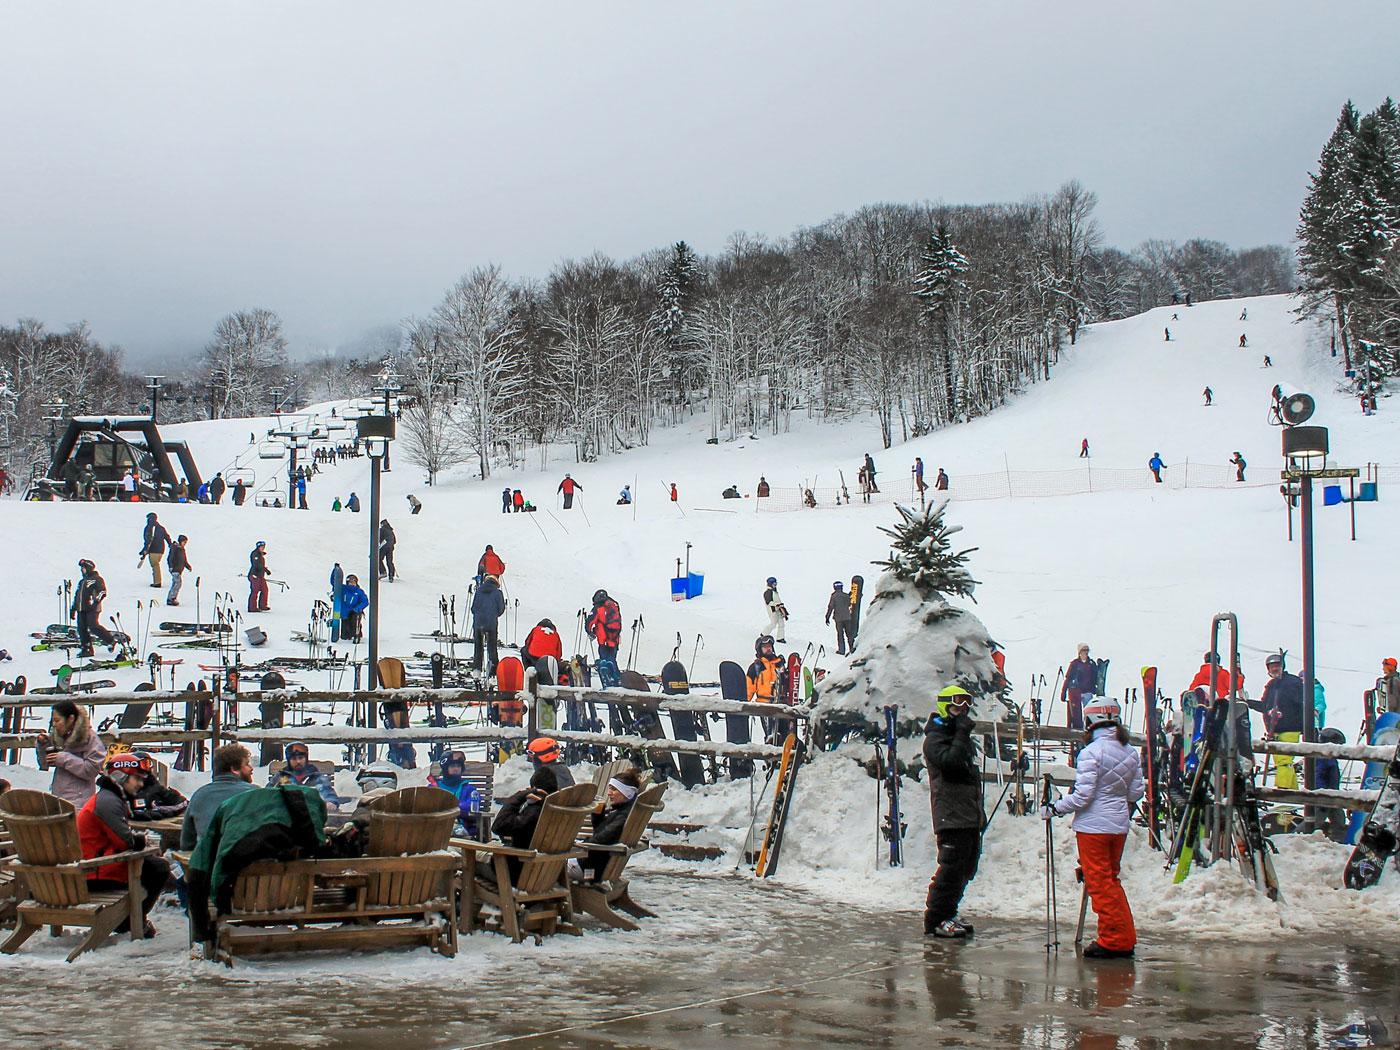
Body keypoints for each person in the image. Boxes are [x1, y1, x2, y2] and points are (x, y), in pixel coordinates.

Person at [1043, 695, 1143, 959]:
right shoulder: (1130, 751)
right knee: (1111, 880)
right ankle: (1123, 935)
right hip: (1118, 825)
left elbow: (1083, 795)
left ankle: (1114, 940)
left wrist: (1055, 808)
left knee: (1099, 883)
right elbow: (1136, 792)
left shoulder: (1091, 752)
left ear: (1091, 720)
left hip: (1093, 827)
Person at [77, 753, 172, 937]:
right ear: (120, 776)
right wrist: (142, 841)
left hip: (96, 865)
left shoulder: (107, 797)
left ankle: (130, 918)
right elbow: (124, 841)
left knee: (153, 865)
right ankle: (128, 921)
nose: (140, 784)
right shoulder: (108, 802)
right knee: (159, 868)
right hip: (97, 872)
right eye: (136, 778)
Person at [922, 684, 982, 938]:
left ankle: (950, 911)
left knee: (966, 867)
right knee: (950, 867)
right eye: (957, 706)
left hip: (967, 811)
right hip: (950, 813)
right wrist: (960, 734)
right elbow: (951, 764)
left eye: (966, 707)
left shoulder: (959, 737)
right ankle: (936, 918)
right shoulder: (935, 738)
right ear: (945, 706)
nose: (962, 712)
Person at [179, 744, 256, 849]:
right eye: (247, 764)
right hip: (249, 859)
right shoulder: (256, 793)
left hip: (210, 860)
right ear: (234, 769)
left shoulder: (199, 795)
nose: (251, 769)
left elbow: (186, 843)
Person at [1249, 652, 1306, 790]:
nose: (1274, 669)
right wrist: (1247, 702)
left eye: (1277, 666)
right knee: (1283, 762)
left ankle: (1283, 791)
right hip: (1275, 730)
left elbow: (1301, 702)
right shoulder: (1272, 685)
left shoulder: (1292, 682)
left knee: (1284, 761)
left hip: (1290, 728)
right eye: (1271, 667)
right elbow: (1265, 706)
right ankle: (1293, 793)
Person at [573, 766, 642, 881]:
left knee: (555, 864)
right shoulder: (623, 811)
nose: (609, 793)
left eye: (614, 789)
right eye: (609, 789)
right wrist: (598, 813)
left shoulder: (622, 817)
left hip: (588, 867)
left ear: (627, 793)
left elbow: (601, 839)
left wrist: (577, 845)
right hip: (598, 865)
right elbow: (601, 833)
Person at [491, 766, 558, 881]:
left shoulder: (533, 813)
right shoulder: (561, 813)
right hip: (549, 874)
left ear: (534, 790)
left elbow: (498, 826)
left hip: (517, 874)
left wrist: (519, 797)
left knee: (473, 859)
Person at [38, 699, 106, 805]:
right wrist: (43, 746)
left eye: (57, 720)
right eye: (53, 721)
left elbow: (92, 770)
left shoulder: (90, 739)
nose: (54, 725)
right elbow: (44, 764)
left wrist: (64, 759)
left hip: (80, 802)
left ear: (70, 719)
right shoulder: (60, 737)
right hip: (59, 798)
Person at [268, 741, 348, 809]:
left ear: (306, 758)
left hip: (312, 816)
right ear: (289, 760)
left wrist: (330, 803)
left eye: (301, 758)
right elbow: (267, 795)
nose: (298, 761)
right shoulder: (281, 777)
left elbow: (330, 795)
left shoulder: (317, 777)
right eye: (294, 759)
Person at [428, 750, 483, 837]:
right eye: (452, 766)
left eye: (458, 766)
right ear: (446, 768)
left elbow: (472, 806)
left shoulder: (469, 789)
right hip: (436, 829)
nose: (456, 769)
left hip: (461, 830)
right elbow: (426, 806)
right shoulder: (434, 788)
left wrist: (451, 807)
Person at [123, 752, 189, 822]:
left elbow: (182, 803)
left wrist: (157, 810)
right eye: (136, 777)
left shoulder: (155, 788)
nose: (139, 783)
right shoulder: (123, 788)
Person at [71, 558, 116, 657]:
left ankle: (110, 640)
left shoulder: (97, 579)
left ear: (88, 568)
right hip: (81, 608)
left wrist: (95, 602)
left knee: (93, 626)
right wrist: (73, 608)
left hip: (92, 608)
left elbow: (102, 592)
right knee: (81, 628)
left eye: (83, 568)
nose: (82, 570)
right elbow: (77, 595)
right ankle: (86, 648)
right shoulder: (82, 581)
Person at [471, 574, 506, 674]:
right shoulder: (498, 593)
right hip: (491, 623)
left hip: (478, 623)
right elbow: (501, 609)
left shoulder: (478, 591)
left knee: (478, 647)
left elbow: (473, 608)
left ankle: (477, 670)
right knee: (492, 648)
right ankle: (493, 671)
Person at [1062, 643, 1098, 730]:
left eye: (1087, 650)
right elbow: (1068, 678)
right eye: (1083, 650)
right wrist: (1063, 691)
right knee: (1076, 715)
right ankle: (1077, 733)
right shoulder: (1074, 664)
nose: (1086, 653)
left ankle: (1089, 730)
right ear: (1079, 652)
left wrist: (1096, 689)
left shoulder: (1091, 664)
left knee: (1089, 713)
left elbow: (1096, 677)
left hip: (1087, 692)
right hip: (1075, 692)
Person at [746, 634, 784, 710]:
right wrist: (743, 706)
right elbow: (748, 690)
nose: (768, 649)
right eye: (765, 647)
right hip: (763, 706)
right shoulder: (755, 667)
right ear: (760, 649)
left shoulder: (779, 664)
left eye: (769, 646)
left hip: (782, 705)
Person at [588, 589, 623, 666]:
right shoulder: (615, 606)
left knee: (604, 661)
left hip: (603, 640)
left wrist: (590, 632)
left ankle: (606, 674)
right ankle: (616, 676)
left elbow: (589, 622)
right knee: (612, 660)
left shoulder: (598, 608)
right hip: (615, 640)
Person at [138, 512, 171, 588]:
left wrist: (144, 550)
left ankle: (157, 582)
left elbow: (147, 540)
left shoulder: (149, 528)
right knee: (156, 564)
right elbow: (167, 537)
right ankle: (157, 581)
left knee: (155, 565)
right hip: (161, 550)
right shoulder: (161, 528)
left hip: (153, 550)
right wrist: (170, 544)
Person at [825, 580, 854, 655]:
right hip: (847, 617)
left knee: (840, 634)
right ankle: (852, 647)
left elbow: (830, 607)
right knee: (849, 634)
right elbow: (849, 604)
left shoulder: (833, 596)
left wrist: (827, 617)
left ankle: (841, 650)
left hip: (838, 619)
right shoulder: (846, 596)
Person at [340, 574, 369, 642]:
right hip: (344, 613)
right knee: (344, 633)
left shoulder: (359, 591)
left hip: (354, 612)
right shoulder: (343, 589)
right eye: (350, 582)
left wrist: (358, 608)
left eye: (353, 582)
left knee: (354, 623)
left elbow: (365, 601)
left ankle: (356, 636)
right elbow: (334, 582)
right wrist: (336, 571)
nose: (352, 584)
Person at [166, 534, 191, 606]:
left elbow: (184, 560)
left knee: (176, 583)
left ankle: (171, 597)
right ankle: (171, 598)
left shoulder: (182, 550)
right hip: (175, 569)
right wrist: (171, 567)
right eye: (184, 542)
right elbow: (170, 558)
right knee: (177, 583)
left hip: (179, 570)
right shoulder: (175, 548)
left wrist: (188, 566)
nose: (185, 544)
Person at [247, 540, 270, 613]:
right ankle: (252, 607)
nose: (263, 548)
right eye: (261, 547)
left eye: (263, 547)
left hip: (260, 576)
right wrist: (265, 569)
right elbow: (256, 564)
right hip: (254, 575)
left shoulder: (260, 555)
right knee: (255, 590)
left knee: (265, 590)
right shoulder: (255, 554)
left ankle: (263, 605)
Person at [762, 576, 788, 643]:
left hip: (778, 610)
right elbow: (768, 602)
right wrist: (777, 604)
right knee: (773, 624)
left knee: (781, 624)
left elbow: (777, 600)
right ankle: (764, 634)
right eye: (774, 584)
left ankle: (780, 637)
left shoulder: (775, 592)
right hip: (773, 611)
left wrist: (782, 609)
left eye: (776, 584)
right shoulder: (767, 592)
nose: (775, 585)